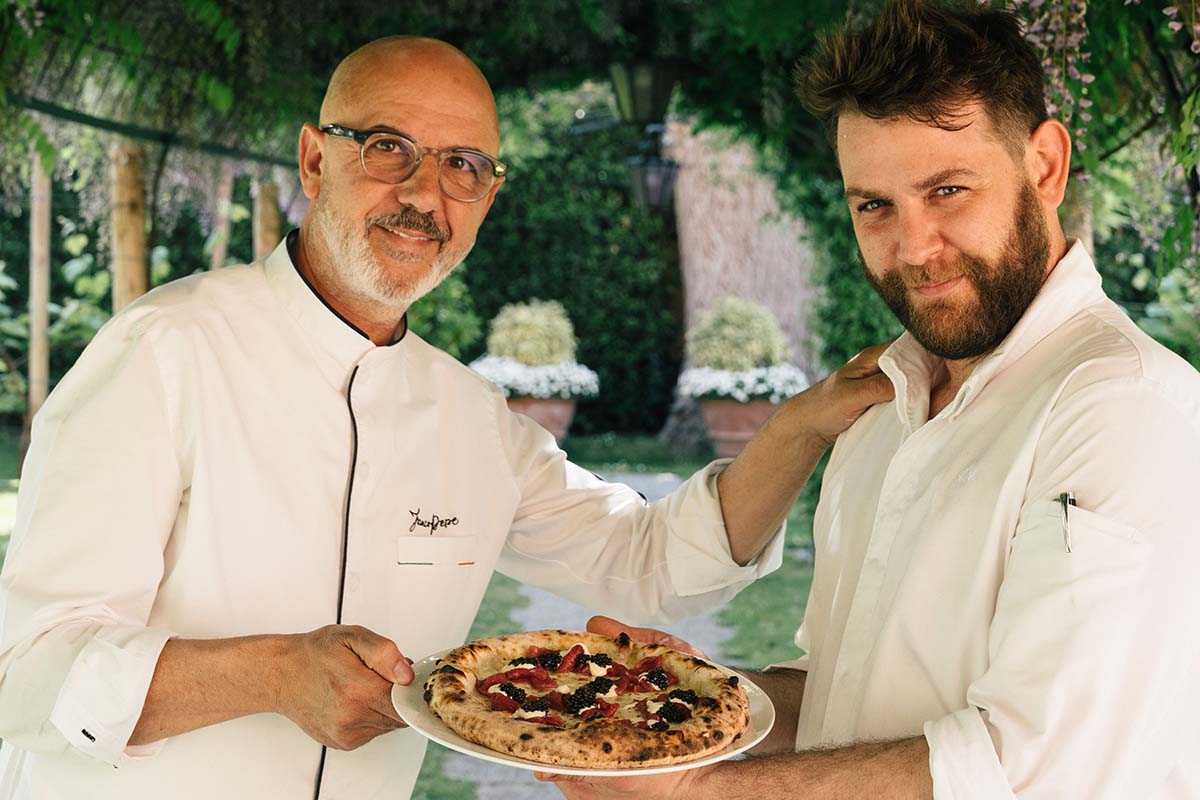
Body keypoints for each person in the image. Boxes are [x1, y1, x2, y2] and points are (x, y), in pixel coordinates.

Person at [0, 36, 893, 800]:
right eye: (389, 146)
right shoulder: (164, 351)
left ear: (488, 197)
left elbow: (652, 564)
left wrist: (800, 427)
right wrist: (269, 674)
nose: (426, 194)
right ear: (314, 159)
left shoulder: (471, 419)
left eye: (463, 166)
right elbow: (23, 672)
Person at [540, 2, 1200, 799]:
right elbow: (842, 691)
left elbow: (1029, 762)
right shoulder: (877, 410)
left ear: (1046, 166)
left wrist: (698, 794)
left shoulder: (1129, 407)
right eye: (873, 205)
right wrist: (692, 696)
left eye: (949, 189)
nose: (914, 248)